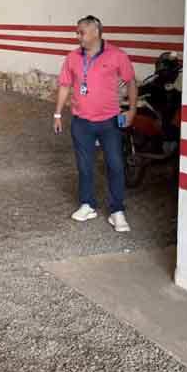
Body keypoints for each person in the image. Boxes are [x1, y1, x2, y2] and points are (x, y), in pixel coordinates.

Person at [54, 15, 138, 232]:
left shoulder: (117, 55)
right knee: (84, 166)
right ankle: (88, 204)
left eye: (81, 32)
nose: (77, 36)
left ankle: (116, 211)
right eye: (77, 32)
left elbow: (130, 82)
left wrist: (132, 110)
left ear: (96, 33)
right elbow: (64, 85)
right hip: (81, 122)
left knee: (115, 165)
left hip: (109, 121)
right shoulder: (73, 57)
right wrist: (57, 114)